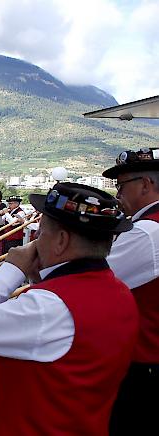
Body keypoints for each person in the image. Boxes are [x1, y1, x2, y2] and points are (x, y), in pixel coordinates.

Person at [0, 182, 138, 435]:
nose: (36, 240)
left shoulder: (51, 307)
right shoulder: (121, 292)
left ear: (60, 240)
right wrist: (40, 279)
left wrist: (9, 271)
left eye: (41, 233)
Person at [103, 148, 159, 435]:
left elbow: (94, 279)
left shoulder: (147, 231)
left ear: (146, 185)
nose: (118, 194)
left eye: (121, 185)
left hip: (143, 362)